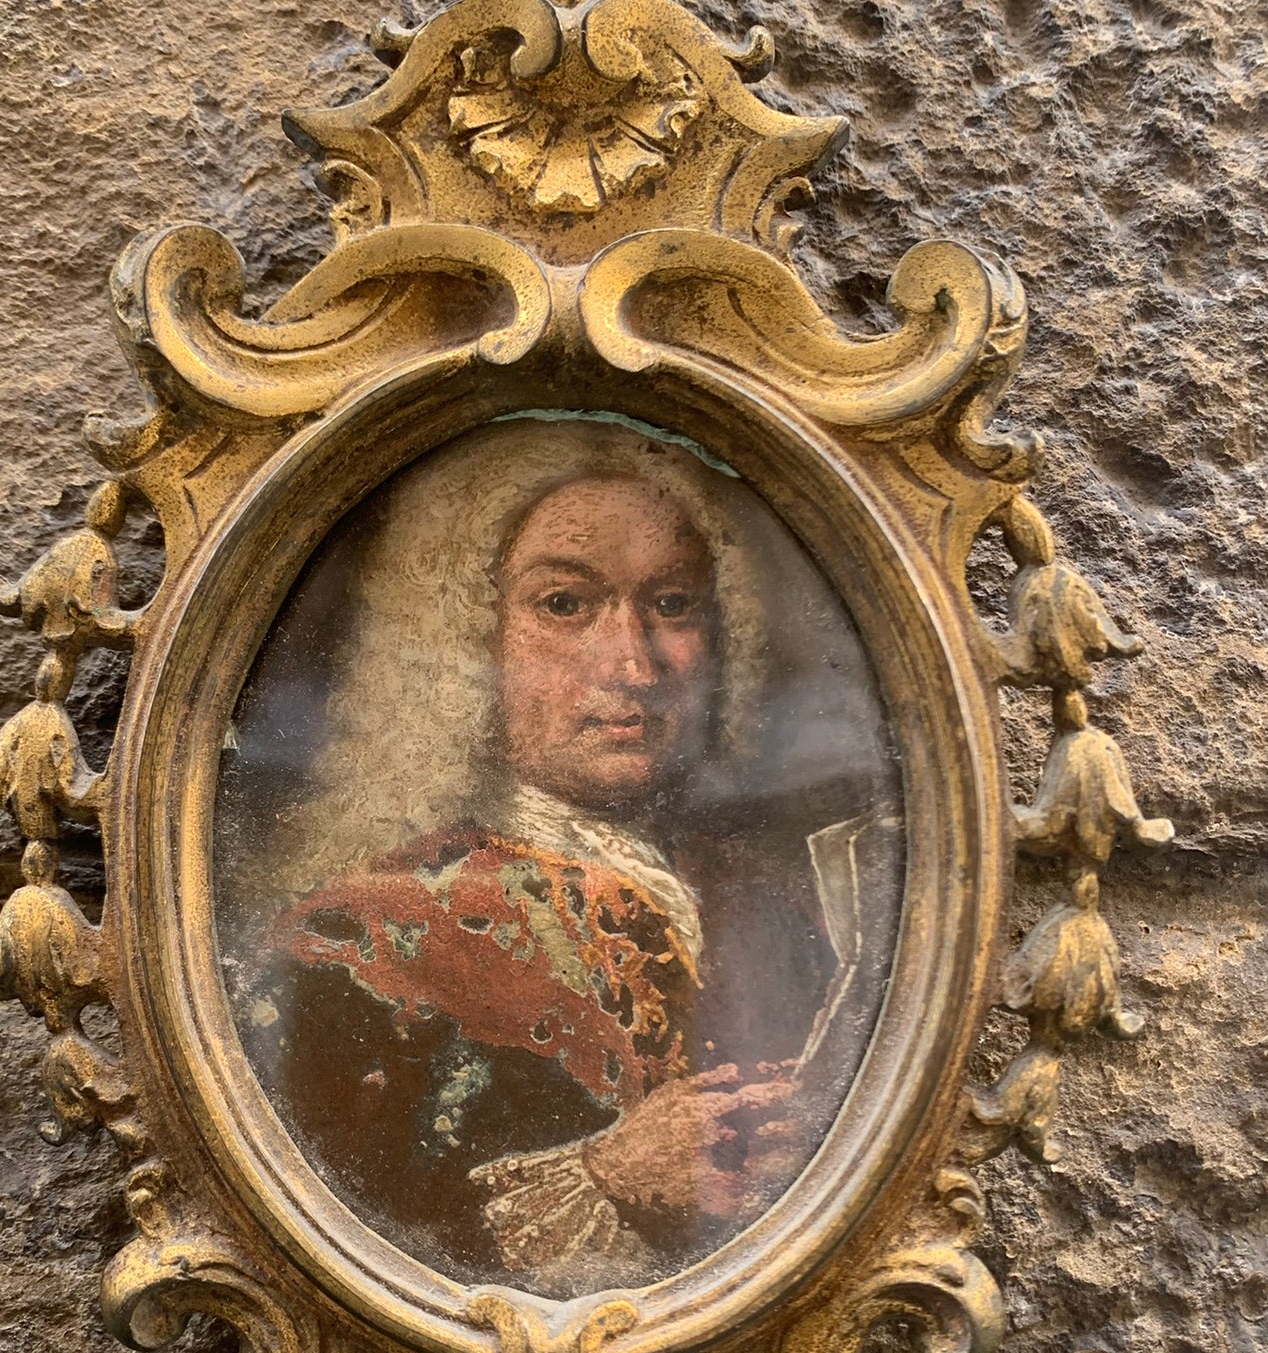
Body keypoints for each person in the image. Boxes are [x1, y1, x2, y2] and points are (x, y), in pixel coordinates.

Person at [227, 420, 897, 1295]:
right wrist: (604, 1181)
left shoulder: (776, 899)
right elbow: (318, 1245)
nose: (631, 662)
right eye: (564, 605)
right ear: (469, 641)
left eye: (672, 604)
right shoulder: (358, 938)